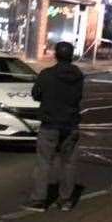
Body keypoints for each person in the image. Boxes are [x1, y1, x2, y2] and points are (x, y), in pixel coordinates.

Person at [24, 41, 84, 211]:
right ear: (71, 56)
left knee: (44, 162)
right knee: (69, 163)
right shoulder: (78, 75)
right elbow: (78, 96)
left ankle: (38, 200)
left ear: (55, 55)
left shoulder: (47, 74)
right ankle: (65, 200)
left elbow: (36, 94)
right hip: (70, 124)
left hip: (50, 124)